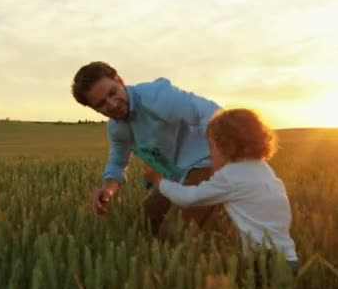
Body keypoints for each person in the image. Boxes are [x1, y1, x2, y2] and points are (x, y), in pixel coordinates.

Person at [70, 61, 231, 237]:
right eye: (101, 104)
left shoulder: (156, 96)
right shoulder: (117, 128)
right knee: (145, 223)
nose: (113, 104)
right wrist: (108, 189)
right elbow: (118, 162)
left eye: (113, 93)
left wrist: (221, 166)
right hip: (176, 175)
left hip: (207, 163)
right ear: (93, 108)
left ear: (120, 81)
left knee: (173, 232)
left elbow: (212, 114)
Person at [142, 108, 298, 268]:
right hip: (289, 259)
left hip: (265, 262)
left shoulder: (230, 176)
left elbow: (187, 198)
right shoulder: (264, 169)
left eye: (212, 147)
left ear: (227, 146)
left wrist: (159, 181)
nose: (210, 155)